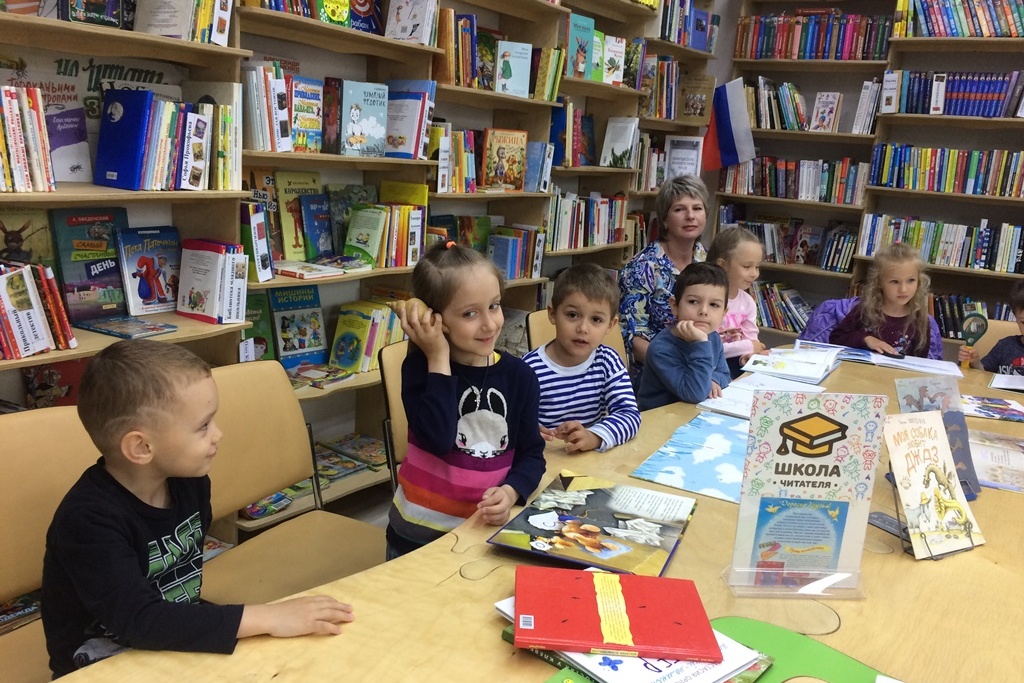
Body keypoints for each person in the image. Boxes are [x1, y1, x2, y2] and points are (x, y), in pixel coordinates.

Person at [42, 340, 353, 678]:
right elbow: (139, 620)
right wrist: (269, 616)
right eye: (203, 426)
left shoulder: (189, 482)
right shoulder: (87, 521)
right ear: (141, 447)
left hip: (169, 636)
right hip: (102, 663)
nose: (218, 434)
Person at [386, 241, 546, 558]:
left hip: (481, 535)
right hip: (416, 541)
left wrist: (511, 491)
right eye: (470, 313)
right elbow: (438, 439)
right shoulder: (420, 369)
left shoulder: (520, 377)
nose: (489, 324)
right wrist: (438, 357)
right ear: (434, 319)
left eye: (494, 306)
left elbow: (532, 454)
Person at [523, 264, 641, 454]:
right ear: (552, 314)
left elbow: (629, 415)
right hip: (543, 460)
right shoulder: (528, 368)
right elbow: (509, 420)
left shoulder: (608, 362)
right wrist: (526, 431)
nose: (583, 328)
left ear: (610, 325)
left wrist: (594, 436)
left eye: (596, 320)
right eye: (572, 315)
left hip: (591, 460)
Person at [619, 175, 709, 376]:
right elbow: (631, 340)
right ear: (665, 220)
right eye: (679, 209)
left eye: (697, 208)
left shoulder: (706, 259)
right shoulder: (642, 268)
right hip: (655, 373)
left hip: (701, 363)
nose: (690, 216)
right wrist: (677, 368)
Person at [637, 262, 731, 411]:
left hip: (694, 413)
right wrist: (699, 343)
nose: (704, 311)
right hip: (659, 418)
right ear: (675, 306)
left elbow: (724, 375)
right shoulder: (661, 348)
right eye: (693, 302)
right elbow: (694, 393)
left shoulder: (713, 337)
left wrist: (713, 380)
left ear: (724, 313)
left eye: (714, 305)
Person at [829, 242, 938, 358]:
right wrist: (865, 339)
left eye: (911, 280)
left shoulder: (920, 319)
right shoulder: (864, 310)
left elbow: (920, 361)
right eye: (894, 281)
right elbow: (836, 338)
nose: (903, 289)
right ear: (879, 282)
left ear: (919, 281)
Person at [707, 227, 767, 378]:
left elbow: (751, 339)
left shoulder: (748, 302)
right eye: (747, 266)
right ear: (722, 265)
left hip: (736, 364)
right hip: (709, 366)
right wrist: (747, 346)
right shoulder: (706, 300)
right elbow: (707, 348)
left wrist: (747, 355)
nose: (754, 273)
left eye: (757, 266)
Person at [959, 279, 1024, 373]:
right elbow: (984, 375)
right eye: (1023, 322)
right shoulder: (1005, 346)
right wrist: (975, 362)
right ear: (1015, 317)